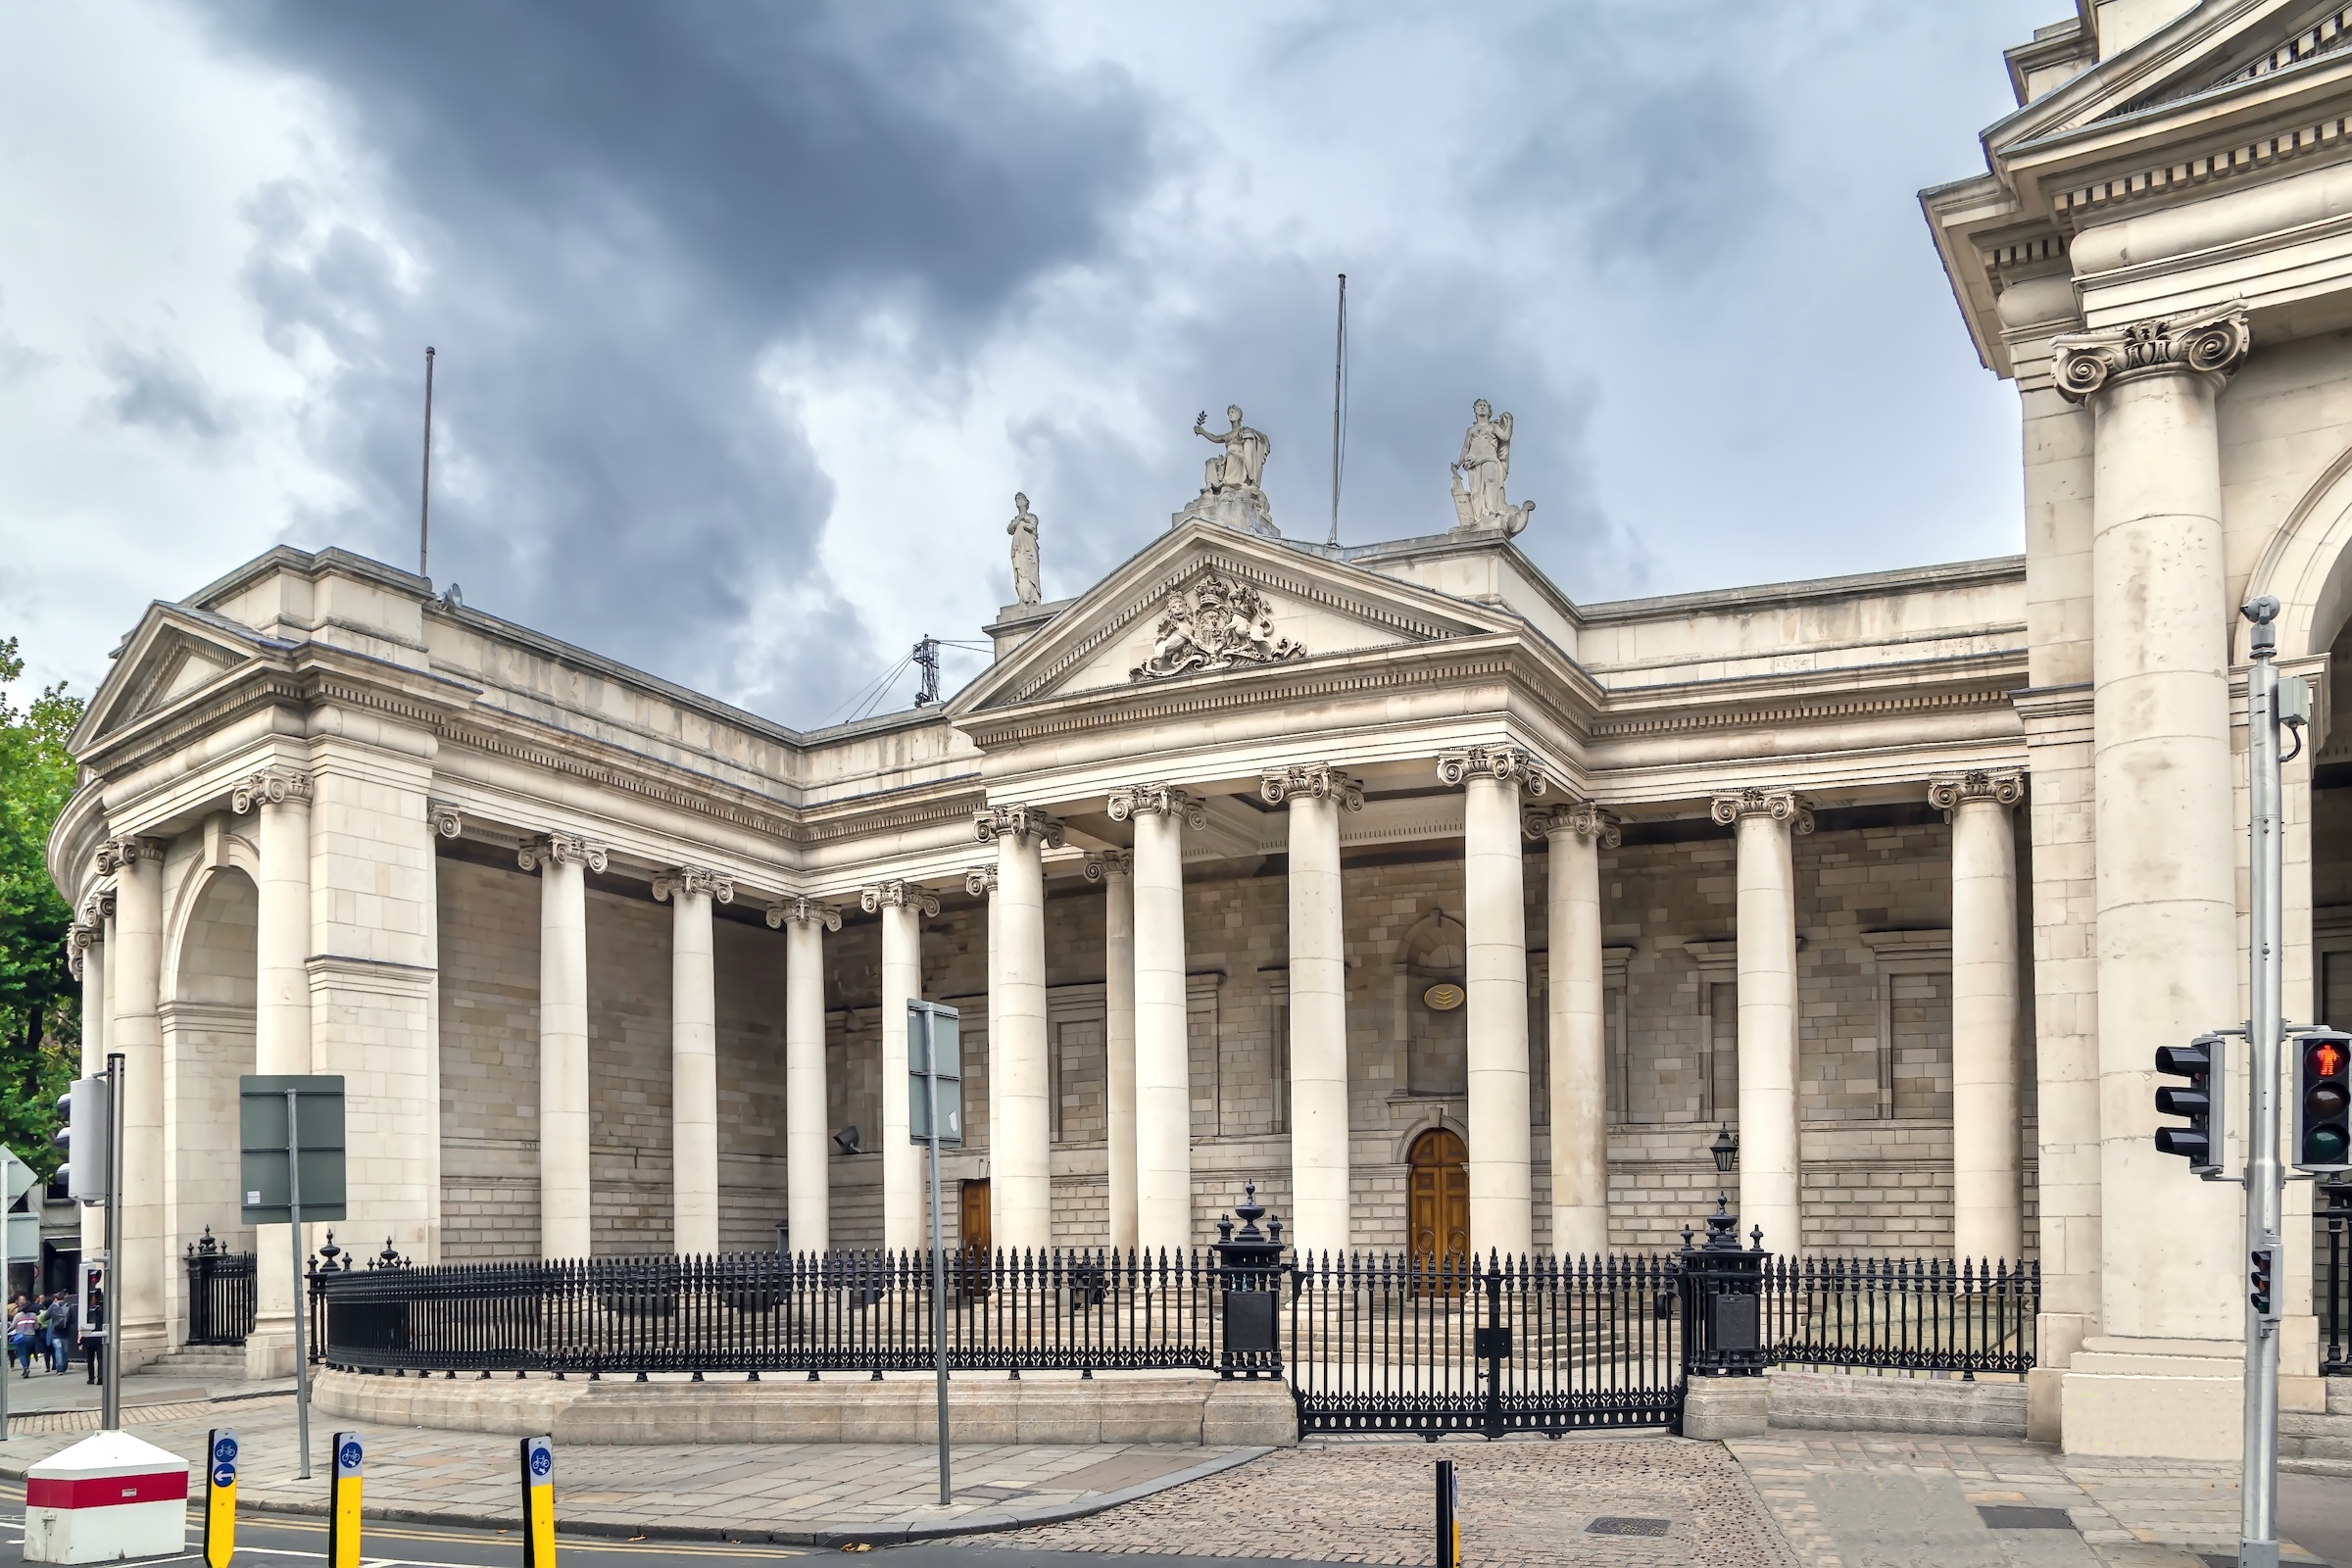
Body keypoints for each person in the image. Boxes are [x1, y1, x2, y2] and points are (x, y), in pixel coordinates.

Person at [79, 1285, 103, 1386]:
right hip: (99, 1336)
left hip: (89, 1337)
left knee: (90, 1359)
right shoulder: (103, 1309)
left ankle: (91, 1377)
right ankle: (100, 1377)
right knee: (100, 1358)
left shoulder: (87, 1310)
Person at [46, 1291, 72, 1373]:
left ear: (56, 1299)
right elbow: (73, 1319)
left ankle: (59, 1368)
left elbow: (45, 1317)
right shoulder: (69, 1306)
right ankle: (64, 1367)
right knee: (65, 1351)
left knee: (58, 1349)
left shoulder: (53, 1307)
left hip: (55, 1333)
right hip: (65, 1333)